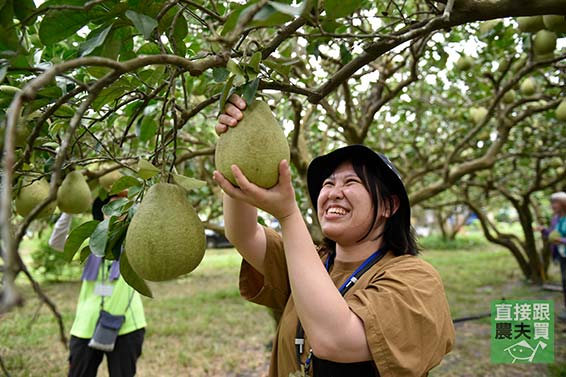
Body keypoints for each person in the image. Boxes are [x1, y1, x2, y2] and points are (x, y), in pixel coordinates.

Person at [213, 95, 455, 377]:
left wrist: (288, 215)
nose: (333, 193)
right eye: (328, 184)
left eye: (351, 182)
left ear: (388, 205)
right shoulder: (311, 260)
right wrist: (236, 148)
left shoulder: (415, 279)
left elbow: (336, 341)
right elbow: (242, 234)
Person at [49, 194, 146, 377]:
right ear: (102, 213)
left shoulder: (134, 242)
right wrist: (69, 210)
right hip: (86, 323)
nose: (118, 212)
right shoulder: (92, 243)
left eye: (123, 207)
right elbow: (56, 242)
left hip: (127, 324)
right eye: (113, 207)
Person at [538, 191, 566, 320]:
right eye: (552, 203)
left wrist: (562, 241)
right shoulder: (556, 218)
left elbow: (560, 238)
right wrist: (544, 231)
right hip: (562, 254)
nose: (553, 206)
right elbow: (552, 234)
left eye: (556, 203)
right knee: (564, 282)